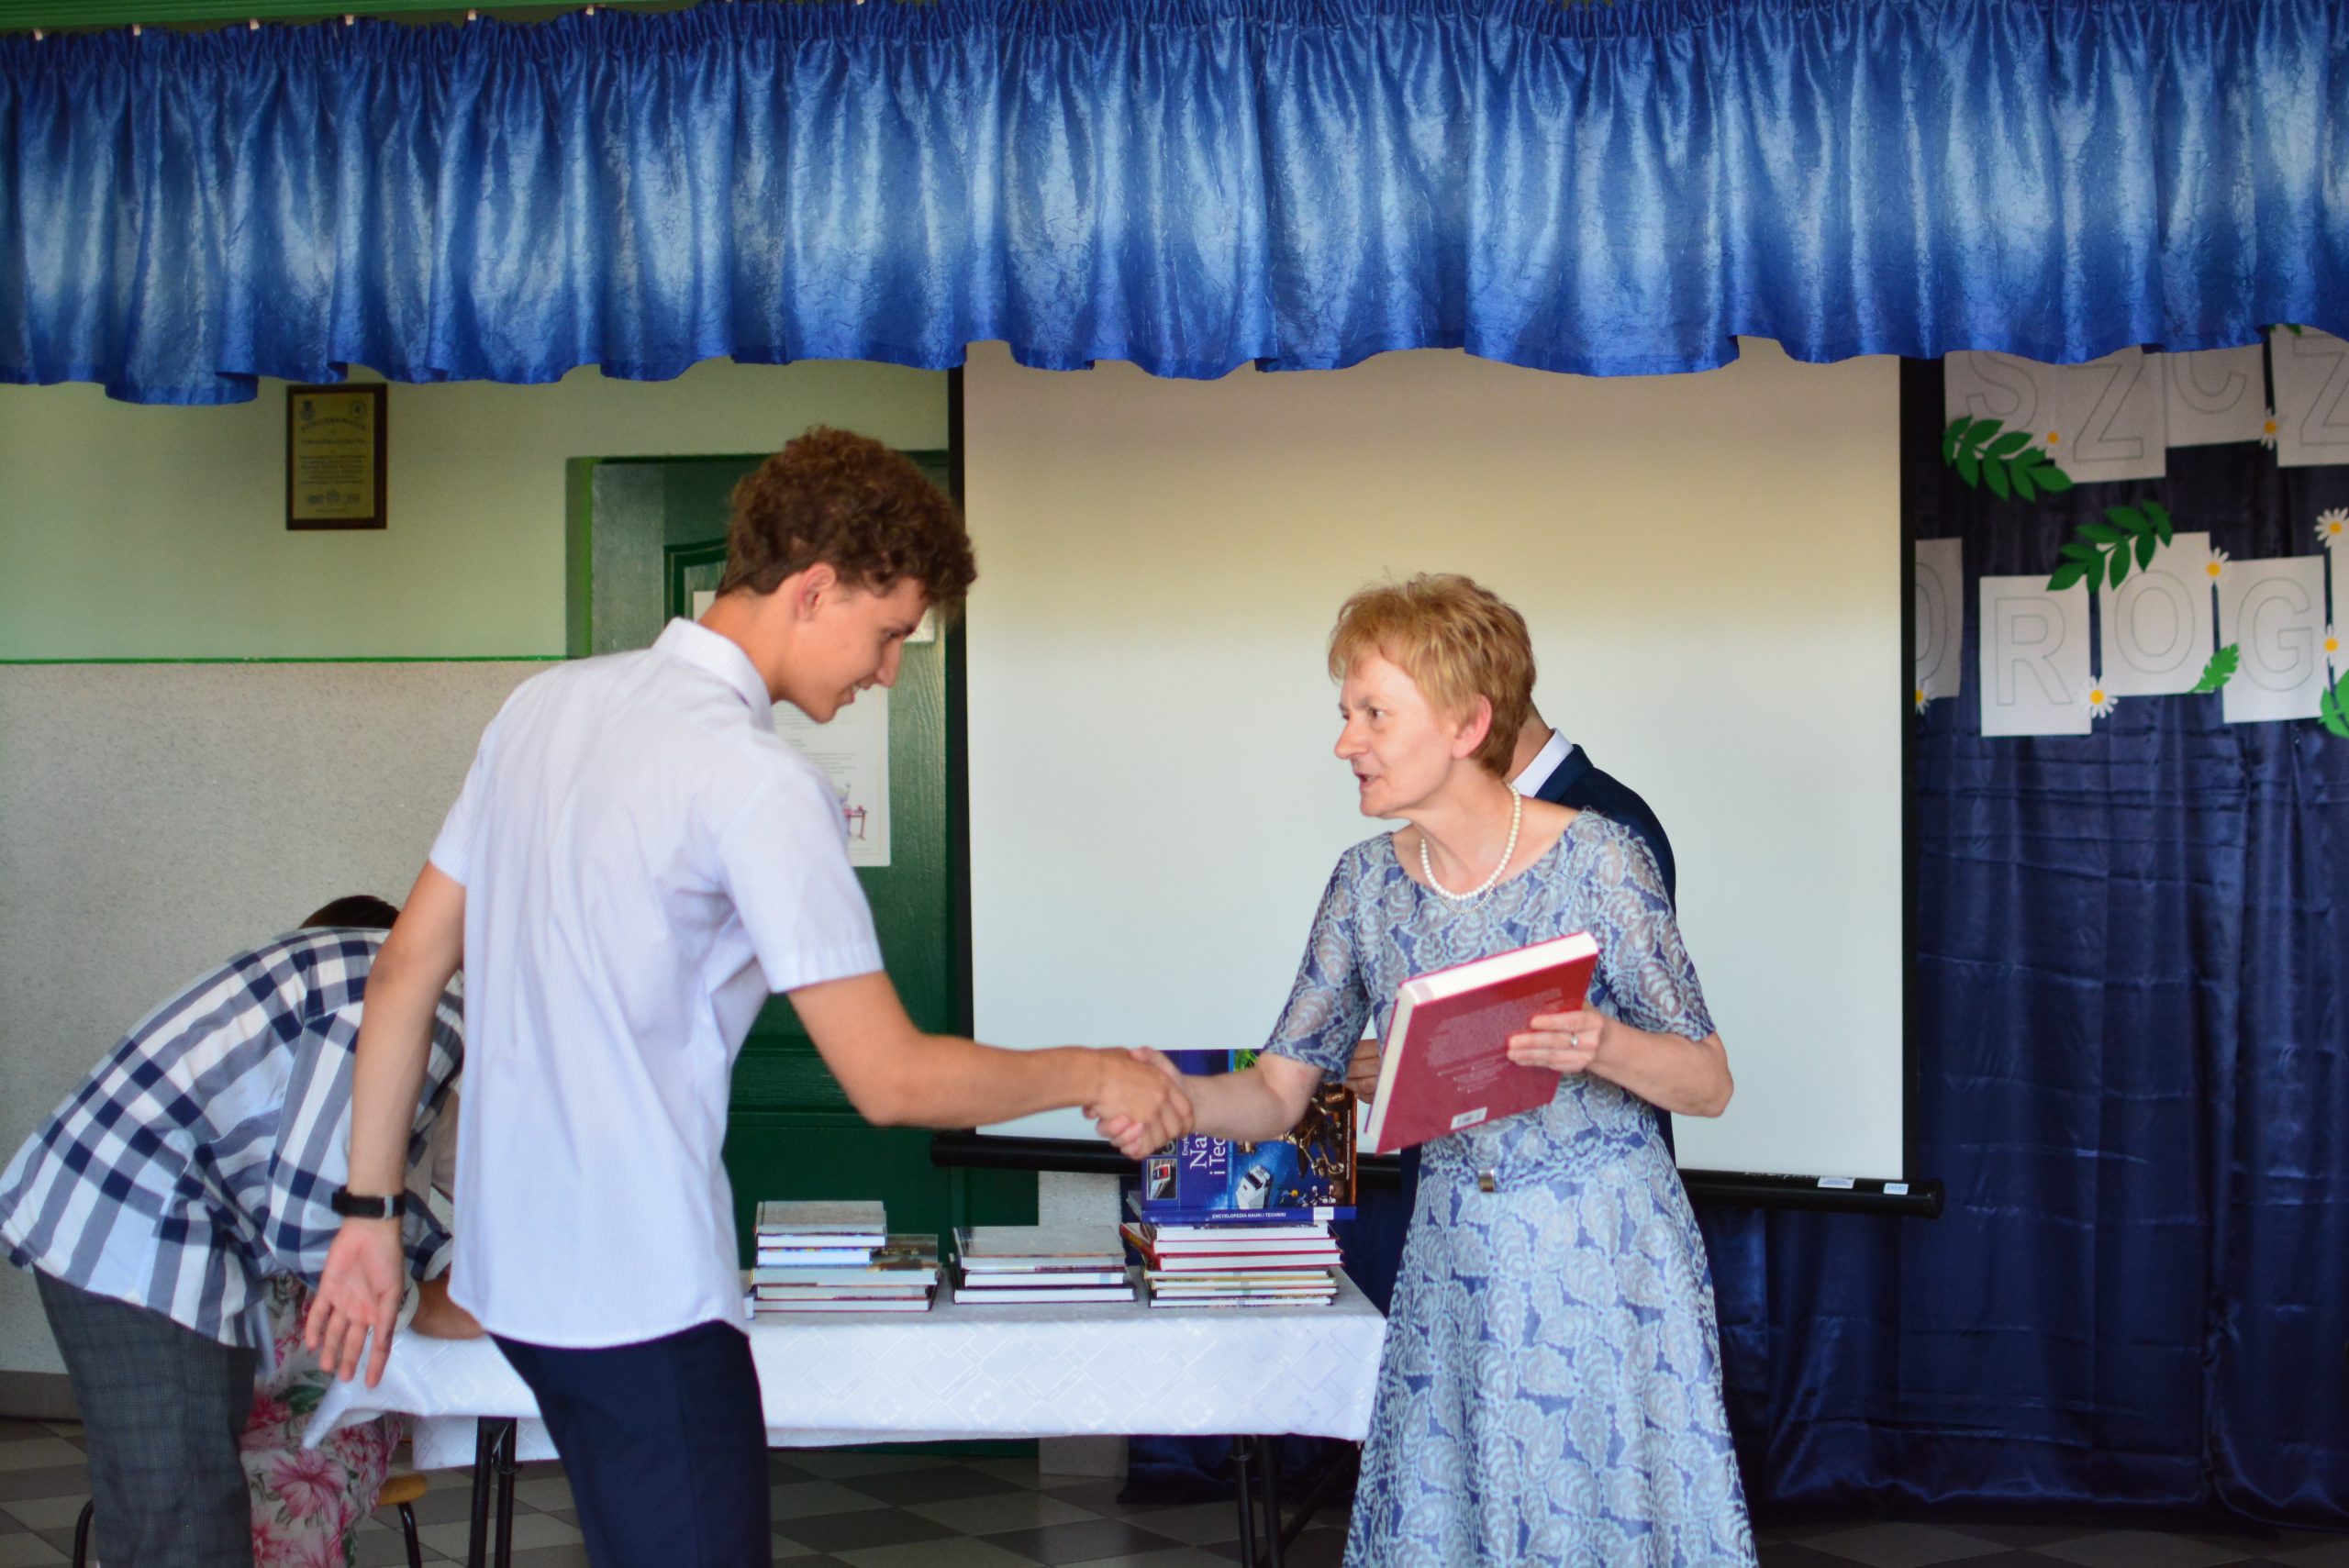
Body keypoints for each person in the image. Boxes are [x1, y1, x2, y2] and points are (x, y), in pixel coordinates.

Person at [306, 428, 1192, 1568]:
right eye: (889, 633)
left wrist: (370, 1216)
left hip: (512, 1283)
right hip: (640, 1298)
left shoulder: (540, 708)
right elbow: (890, 1078)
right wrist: (1096, 1069)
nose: (888, 671)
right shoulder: (759, 780)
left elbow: (402, 971)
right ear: (814, 588)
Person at [1115, 574, 1753, 1566]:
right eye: (1346, 713)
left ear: (1468, 724)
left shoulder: (1603, 859)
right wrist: (1175, 1098)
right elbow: (1282, 1087)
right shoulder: (1364, 884)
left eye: (1374, 714)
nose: (1346, 741)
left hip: (1610, 1264)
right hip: (1453, 1261)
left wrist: (1603, 1044)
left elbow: (1709, 1081)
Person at [0, 895, 476, 1568]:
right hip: (142, 1234)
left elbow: (422, 1182)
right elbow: (313, 1220)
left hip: (140, 1226)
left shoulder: (391, 988)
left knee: (178, 1510)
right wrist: (431, 1304)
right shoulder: (416, 1005)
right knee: (185, 1524)